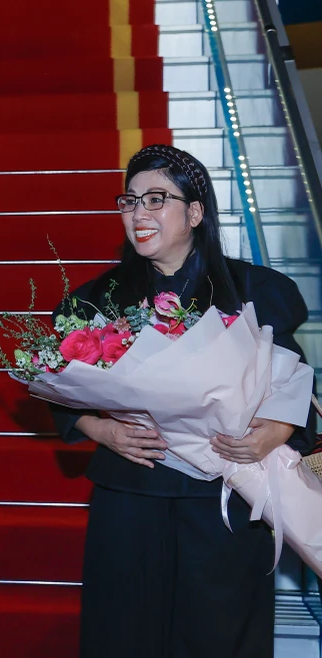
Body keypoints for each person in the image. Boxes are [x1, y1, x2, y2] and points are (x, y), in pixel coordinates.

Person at [49, 144, 317, 658]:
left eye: (157, 199)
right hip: (133, 489)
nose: (139, 214)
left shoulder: (253, 289)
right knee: (126, 628)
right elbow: (59, 390)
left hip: (226, 492)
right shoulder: (96, 300)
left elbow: (294, 379)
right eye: (129, 201)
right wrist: (100, 430)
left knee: (220, 629)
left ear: (195, 213)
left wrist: (276, 431)